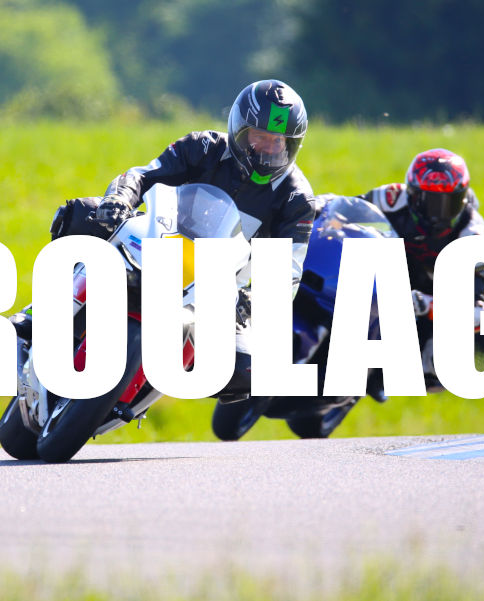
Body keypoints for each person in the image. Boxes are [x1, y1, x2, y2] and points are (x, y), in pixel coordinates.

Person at [40, 79, 316, 402]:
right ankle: (37, 317)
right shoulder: (203, 147)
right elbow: (143, 175)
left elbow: (288, 270)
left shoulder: (297, 198)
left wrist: (253, 299)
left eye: (278, 141)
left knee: (250, 370)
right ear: (239, 130)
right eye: (259, 137)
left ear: (292, 145)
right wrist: (119, 198)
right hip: (159, 242)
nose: (268, 149)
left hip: (221, 291)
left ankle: (148, 387)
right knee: (81, 214)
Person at [359, 148, 484, 392]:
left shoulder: (473, 234)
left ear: (463, 199)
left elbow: (478, 314)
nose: (436, 214)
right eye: (427, 201)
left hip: (432, 297)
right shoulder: (389, 198)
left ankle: (400, 369)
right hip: (387, 274)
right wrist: (320, 205)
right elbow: (345, 209)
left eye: (447, 203)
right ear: (410, 193)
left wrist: (427, 305)